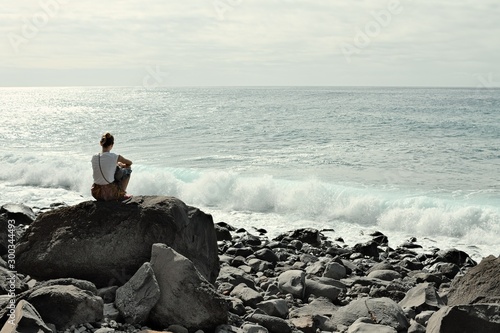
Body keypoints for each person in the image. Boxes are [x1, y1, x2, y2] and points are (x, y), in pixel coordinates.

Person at [91, 132, 133, 201]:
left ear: (100, 143)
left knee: (113, 170)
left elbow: (105, 166)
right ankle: (122, 194)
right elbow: (130, 163)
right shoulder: (115, 157)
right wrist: (120, 164)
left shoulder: (94, 157)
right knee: (128, 169)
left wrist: (117, 164)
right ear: (112, 145)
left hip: (96, 193)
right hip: (110, 194)